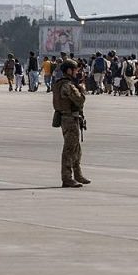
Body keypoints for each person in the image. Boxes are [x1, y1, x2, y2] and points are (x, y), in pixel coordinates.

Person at [52, 60, 90, 188]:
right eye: (75, 70)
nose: (77, 72)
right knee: (69, 148)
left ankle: (77, 174)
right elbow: (79, 100)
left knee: (76, 148)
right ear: (69, 70)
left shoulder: (63, 83)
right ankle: (67, 178)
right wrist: (82, 90)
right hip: (69, 119)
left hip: (69, 118)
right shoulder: (68, 85)